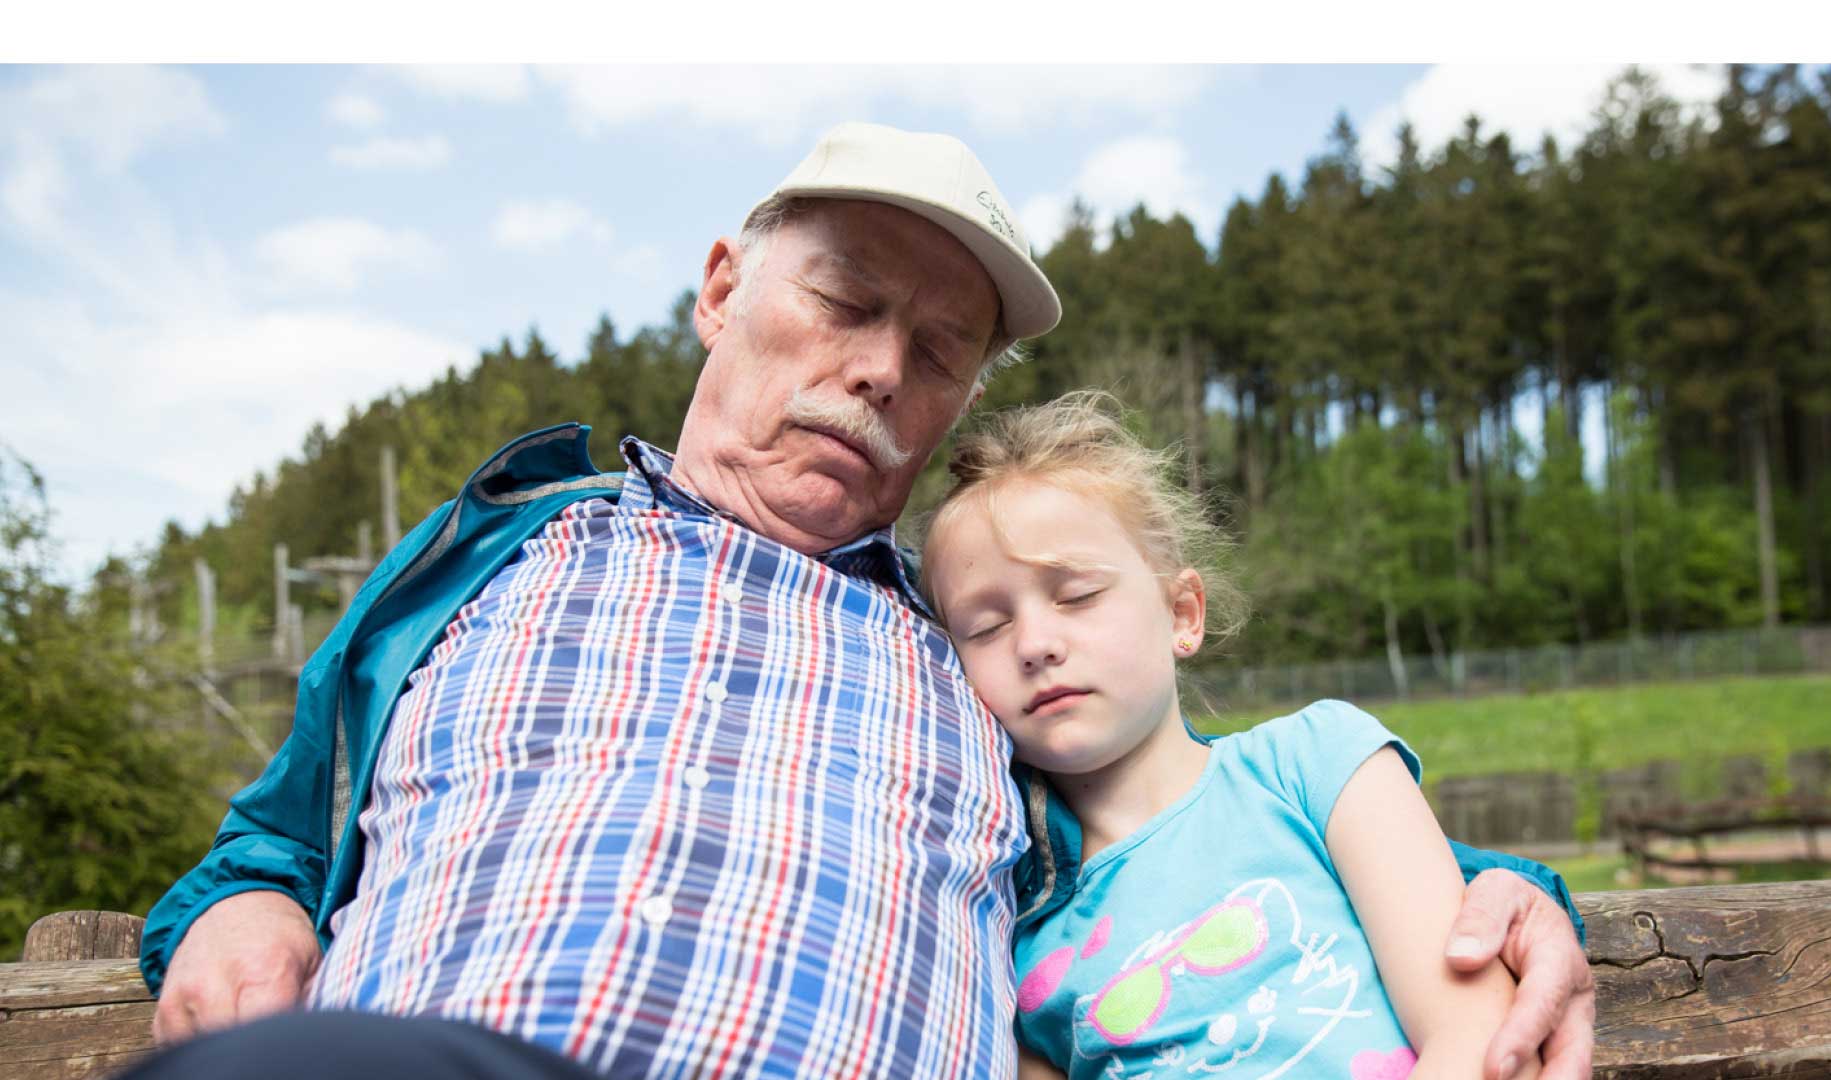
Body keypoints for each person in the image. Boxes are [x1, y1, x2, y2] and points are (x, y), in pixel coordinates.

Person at [132, 122, 1594, 1080]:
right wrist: (238, 904)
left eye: (941, 350)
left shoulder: (958, 646)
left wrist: (1507, 898)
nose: (885, 368)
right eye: (843, 304)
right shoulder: (496, 553)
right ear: (720, 290)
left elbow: (1209, 835)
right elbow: (269, 838)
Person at [919, 391, 1543, 1079]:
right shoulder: (1012, 934)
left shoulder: (1318, 765)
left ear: (1183, 613)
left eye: (1077, 596)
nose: (1035, 644)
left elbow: (1475, 1035)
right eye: (986, 627)